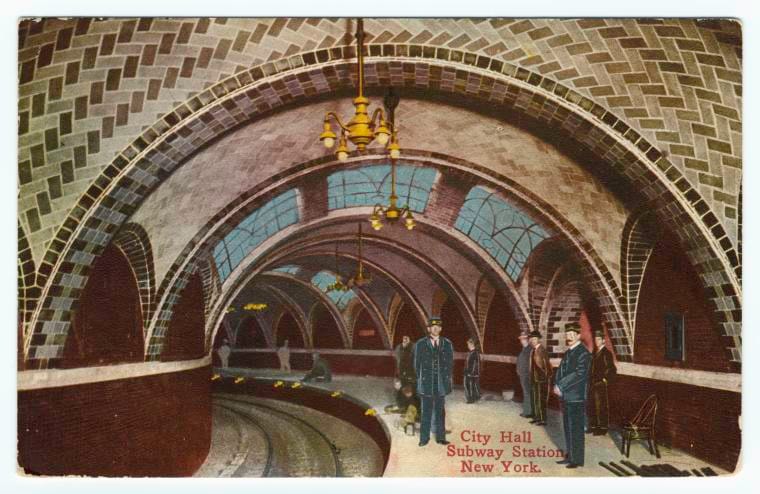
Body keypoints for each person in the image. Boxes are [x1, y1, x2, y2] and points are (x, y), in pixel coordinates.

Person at [553, 323, 591, 469]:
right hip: (566, 396)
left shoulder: (583, 353)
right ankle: (570, 456)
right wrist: (556, 384)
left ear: (578, 336)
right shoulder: (570, 351)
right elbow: (562, 371)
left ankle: (577, 460)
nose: (569, 338)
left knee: (575, 429)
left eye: (572, 335)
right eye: (567, 335)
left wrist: (560, 385)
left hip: (576, 397)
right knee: (568, 427)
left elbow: (579, 374)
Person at [413, 316, 454, 446]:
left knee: (440, 412)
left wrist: (447, 381)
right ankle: (424, 439)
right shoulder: (420, 344)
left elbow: (450, 363)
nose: (435, 328)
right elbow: (416, 364)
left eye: (438, 326)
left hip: (441, 384)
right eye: (433, 326)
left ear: (440, 328)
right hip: (426, 384)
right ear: (429, 328)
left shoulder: (447, 343)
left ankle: (441, 437)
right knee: (426, 412)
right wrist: (422, 379)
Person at [587, 329, 617, 436]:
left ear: (603, 340)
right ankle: (593, 426)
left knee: (601, 406)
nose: (596, 341)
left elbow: (611, 369)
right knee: (592, 405)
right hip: (593, 383)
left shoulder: (606, 353)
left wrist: (605, 380)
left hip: (600, 384)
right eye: (595, 339)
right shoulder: (595, 353)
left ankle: (602, 428)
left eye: (599, 339)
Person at [528, 330, 551, 426]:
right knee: (535, 399)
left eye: (534, 339)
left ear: (538, 339)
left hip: (541, 380)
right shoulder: (533, 351)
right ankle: (537, 417)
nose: (533, 341)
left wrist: (545, 378)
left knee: (541, 400)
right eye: (532, 339)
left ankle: (543, 419)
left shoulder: (542, 350)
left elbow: (546, 366)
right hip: (534, 379)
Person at [516, 332, 534, 418]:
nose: (522, 341)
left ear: (527, 340)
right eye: (521, 339)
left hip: (527, 375)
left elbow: (530, 364)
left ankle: (528, 412)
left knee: (527, 393)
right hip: (523, 374)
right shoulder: (524, 349)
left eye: (524, 339)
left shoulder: (530, 349)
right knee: (526, 392)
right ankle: (528, 411)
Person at [464, 338, 481, 404]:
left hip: (471, 373)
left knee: (470, 385)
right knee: (470, 385)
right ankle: (475, 397)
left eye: (468, 344)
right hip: (469, 372)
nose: (467, 345)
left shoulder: (475, 353)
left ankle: (471, 399)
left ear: (471, 344)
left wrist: (471, 373)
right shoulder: (471, 352)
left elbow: (476, 364)